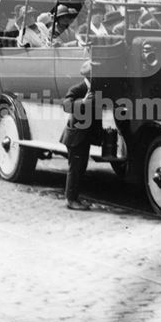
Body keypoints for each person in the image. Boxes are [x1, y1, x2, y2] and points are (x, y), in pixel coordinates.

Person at [60, 59, 101, 211]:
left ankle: (75, 197)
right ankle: (71, 200)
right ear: (89, 76)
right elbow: (65, 104)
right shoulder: (79, 88)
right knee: (75, 168)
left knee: (80, 167)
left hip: (83, 137)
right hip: (75, 137)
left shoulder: (94, 89)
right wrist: (82, 102)